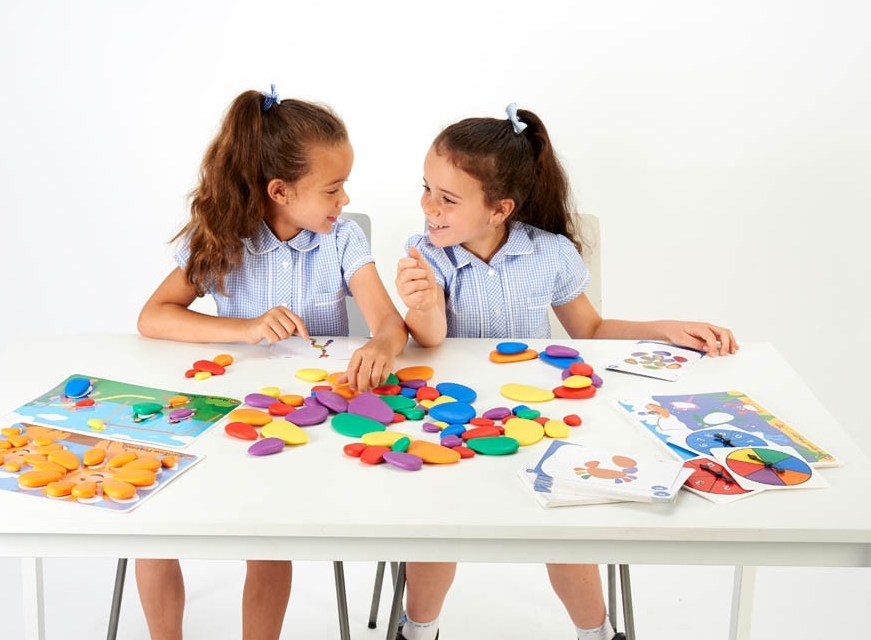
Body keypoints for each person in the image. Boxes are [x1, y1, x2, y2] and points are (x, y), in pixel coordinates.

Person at [393, 104, 739, 640]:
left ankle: (596, 632)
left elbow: (591, 331)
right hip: (450, 416)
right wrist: (419, 304)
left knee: (565, 525)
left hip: (539, 414)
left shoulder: (548, 253)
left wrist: (663, 327)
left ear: (498, 209)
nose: (427, 207)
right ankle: (418, 629)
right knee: (439, 526)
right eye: (426, 189)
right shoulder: (425, 253)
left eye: (447, 198)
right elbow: (431, 338)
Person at [136, 85, 408, 640]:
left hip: (299, 424)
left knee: (266, 537)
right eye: (332, 188)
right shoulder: (219, 237)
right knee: (153, 525)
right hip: (221, 411)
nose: (343, 199)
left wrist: (382, 343)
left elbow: (389, 323)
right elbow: (153, 316)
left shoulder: (342, 239)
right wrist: (246, 328)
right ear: (280, 190)